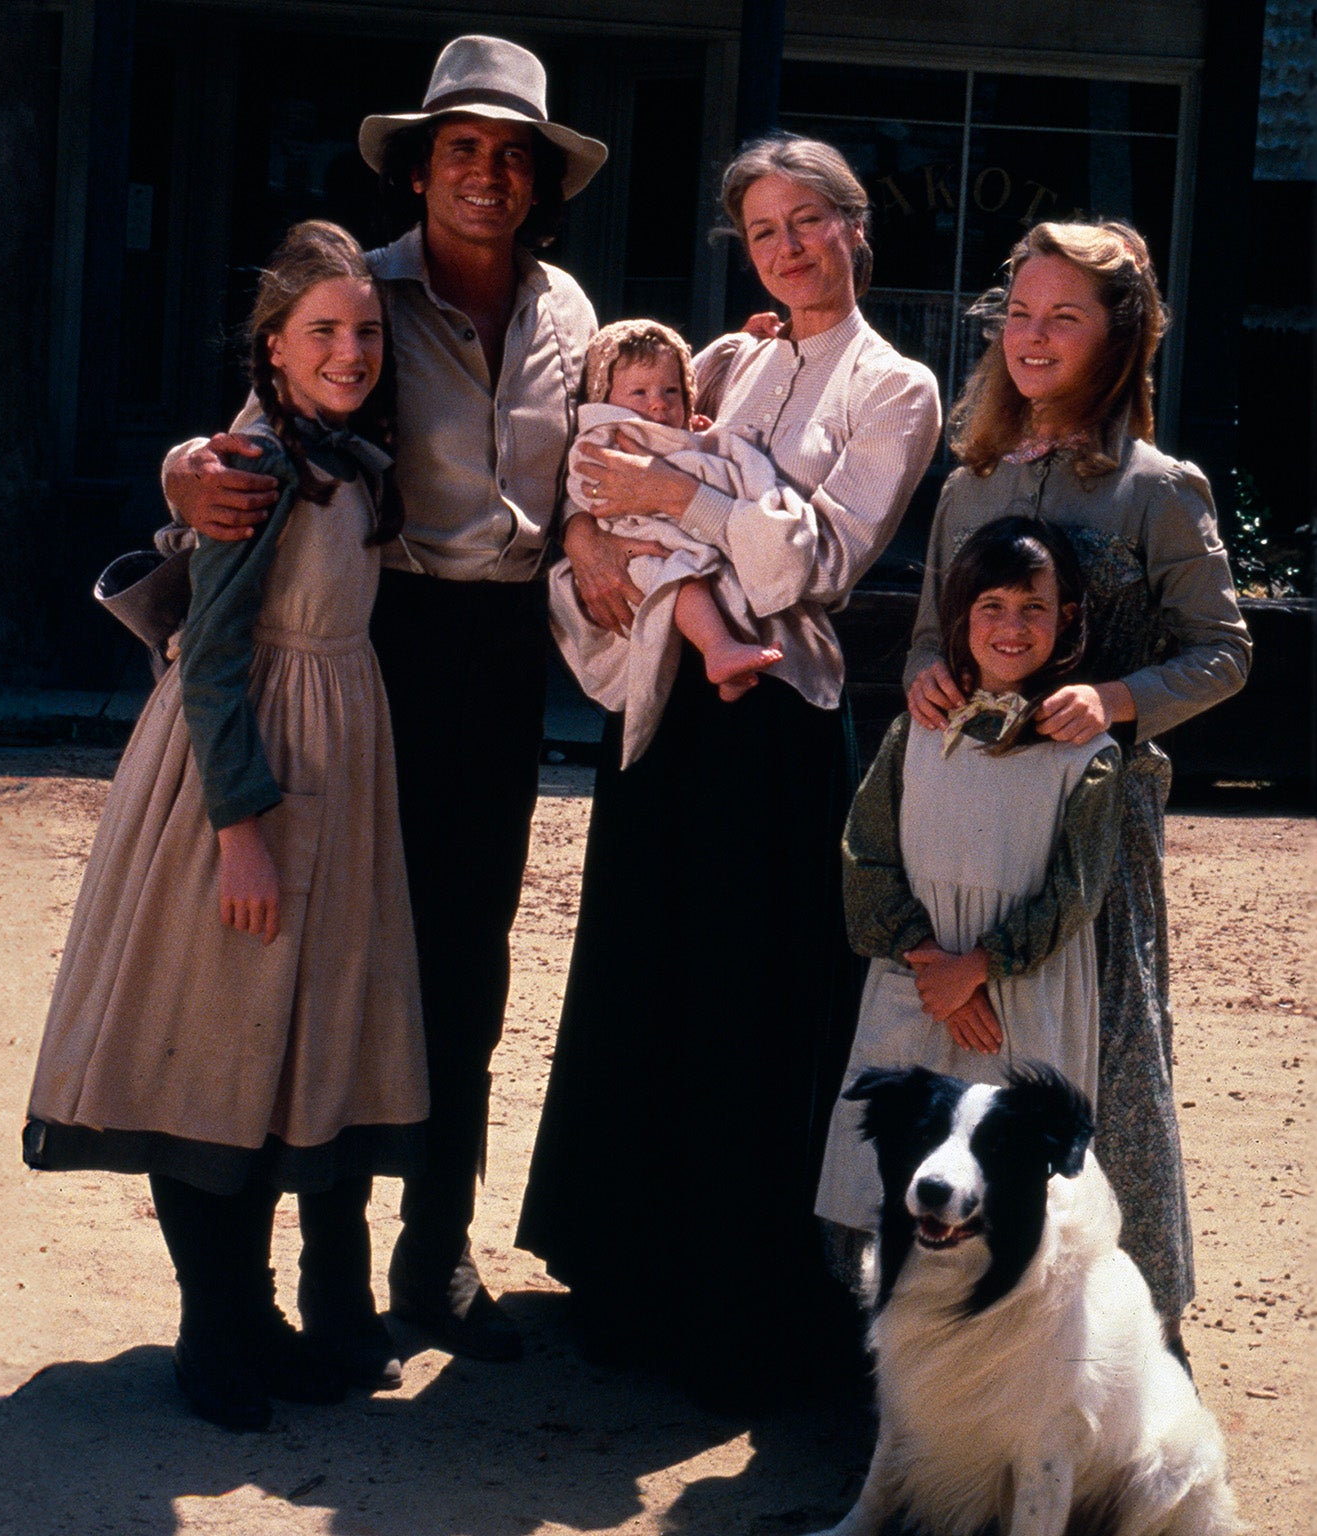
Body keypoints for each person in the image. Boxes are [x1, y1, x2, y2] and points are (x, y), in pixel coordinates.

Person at [160, 33, 604, 1364]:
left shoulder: (571, 315)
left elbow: (643, 427)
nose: (486, 175)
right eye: (462, 150)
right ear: (421, 170)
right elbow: (256, 440)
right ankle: (336, 1271)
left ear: (536, 182)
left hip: (505, 652)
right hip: (381, 641)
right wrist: (183, 469)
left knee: (469, 962)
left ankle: (435, 1254)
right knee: (355, 956)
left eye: (510, 156)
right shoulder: (363, 296)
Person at [515, 134, 942, 1404]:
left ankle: (728, 1303)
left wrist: (684, 502)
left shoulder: (896, 386)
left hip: (777, 723)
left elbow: (813, 563)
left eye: (807, 220)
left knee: (750, 1007)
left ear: (853, 227)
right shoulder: (730, 357)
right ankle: (619, 1272)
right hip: (666, 702)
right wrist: (599, 517)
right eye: (760, 231)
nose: (786, 248)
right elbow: (610, 449)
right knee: (642, 975)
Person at [23, 222, 428, 1430]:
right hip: (241, 762)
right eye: (322, 332)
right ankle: (216, 1329)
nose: (349, 351)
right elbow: (206, 655)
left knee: (290, 1045)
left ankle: (260, 1321)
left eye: (362, 331)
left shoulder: (340, 456)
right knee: (214, 1044)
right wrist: (238, 827)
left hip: (336, 752)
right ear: (272, 346)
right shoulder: (250, 465)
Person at [901, 220, 1249, 1356]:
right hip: (965, 824)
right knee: (967, 1043)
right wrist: (924, 676)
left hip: (1093, 831)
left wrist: (1110, 699)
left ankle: (1124, 1331)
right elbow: (918, 638)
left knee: (1098, 1061)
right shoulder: (969, 483)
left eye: (1064, 316)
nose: (1033, 337)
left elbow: (1223, 652)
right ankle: (960, 1323)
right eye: (1019, 312)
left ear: (1120, 337)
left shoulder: (1157, 489)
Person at [820, 517, 1121, 1265]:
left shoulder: (1086, 755)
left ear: (1068, 617)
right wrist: (935, 967)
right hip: (917, 984)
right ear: (958, 616)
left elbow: (1073, 893)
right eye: (991, 606)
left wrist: (978, 969)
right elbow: (865, 856)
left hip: (1020, 997)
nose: (1011, 627)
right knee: (894, 1168)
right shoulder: (916, 733)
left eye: (1033, 608)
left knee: (1007, 1187)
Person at [547, 318, 789, 768]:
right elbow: (590, 484)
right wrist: (682, 450)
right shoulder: (608, 432)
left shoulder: (667, 420)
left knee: (694, 570)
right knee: (682, 576)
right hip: (633, 547)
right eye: (639, 394)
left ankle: (724, 661)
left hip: (668, 536)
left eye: (671, 393)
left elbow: (692, 378)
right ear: (604, 397)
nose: (657, 404)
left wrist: (691, 436)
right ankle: (719, 650)